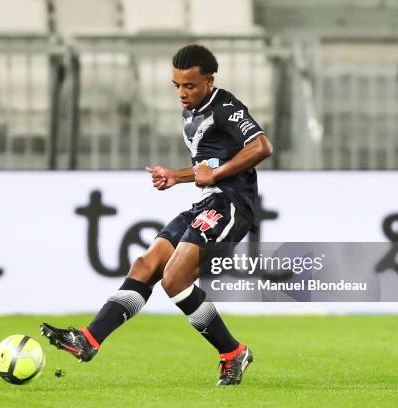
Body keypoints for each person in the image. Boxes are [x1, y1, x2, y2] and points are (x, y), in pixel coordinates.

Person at [40, 44, 273, 386]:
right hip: (209, 201)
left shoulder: (225, 106)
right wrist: (175, 177)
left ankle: (232, 352)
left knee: (174, 278)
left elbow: (262, 146)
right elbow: (206, 166)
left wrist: (218, 172)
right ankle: (88, 340)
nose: (182, 92)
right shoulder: (192, 110)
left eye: (189, 85)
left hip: (231, 204)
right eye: (177, 85)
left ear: (209, 81)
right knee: (145, 266)